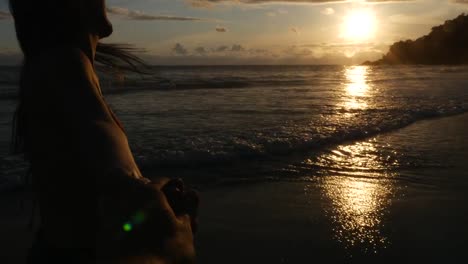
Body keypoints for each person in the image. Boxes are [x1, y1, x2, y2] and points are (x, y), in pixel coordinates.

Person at [9, 0, 198, 263]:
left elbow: (97, 187)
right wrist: (177, 243)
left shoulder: (58, 69)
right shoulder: (63, 69)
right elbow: (126, 202)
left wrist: (153, 191)